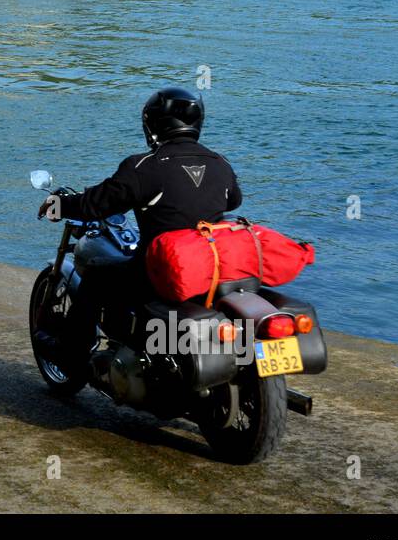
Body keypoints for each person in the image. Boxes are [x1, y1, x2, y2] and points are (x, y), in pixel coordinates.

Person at [34, 87, 242, 376]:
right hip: (211, 269)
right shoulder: (221, 164)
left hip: (159, 271)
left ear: (153, 125)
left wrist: (58, 205)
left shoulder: (145, 167)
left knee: (94, 281)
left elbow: (95, 203)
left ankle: (70, 357)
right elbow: (233, 200)